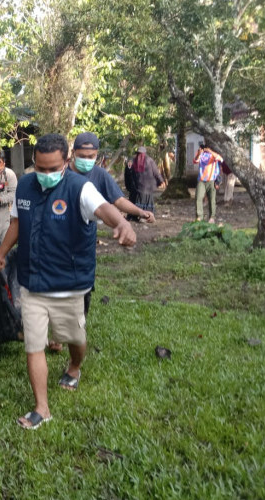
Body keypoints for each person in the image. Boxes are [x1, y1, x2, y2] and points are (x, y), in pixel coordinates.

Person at [0, 133, 136, 430]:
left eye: (52, 169)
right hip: (32, 281)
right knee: (33, 345)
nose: (45, 175)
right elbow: (17, 223)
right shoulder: (26, 185)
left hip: (69, 283)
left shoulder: (81, 188)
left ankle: (75, 366)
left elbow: (104, 209)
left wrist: (121, 223)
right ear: (34, 163)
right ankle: (42, 408)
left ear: (66, 163)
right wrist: (2, 252)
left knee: (74, 339)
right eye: (40, 168)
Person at [47, 132, 153, 353]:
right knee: (54, 289)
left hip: (84, 245)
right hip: (56, 242)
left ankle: (75, 332)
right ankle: (56, 334)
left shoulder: (99, 175)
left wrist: (139, 212)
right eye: (82, 155)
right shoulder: (58, 174)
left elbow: (118, 201)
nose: (87, 159)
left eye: (91, 155)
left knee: (82, 292)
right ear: (72, 154)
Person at [125, 146, 165, 222]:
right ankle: (146, 216)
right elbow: (156, 172)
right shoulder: (149, 161)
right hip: (147, 188)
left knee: (135, 201)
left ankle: (135, 216)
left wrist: (128, 186)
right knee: (145, 202)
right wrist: (161, 181)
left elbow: (127, 174)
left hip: (137, 189)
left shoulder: (132, 161)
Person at [193, 143, 223, 223]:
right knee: (198, 198)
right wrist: (199, 154)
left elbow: (220, 159)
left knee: (212, 199)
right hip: (201, 180)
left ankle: (212, 217)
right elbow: (195, 161)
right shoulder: (201, 154)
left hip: (211, 180)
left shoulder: (213, 155)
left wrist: (210, 151)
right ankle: (199, 216)